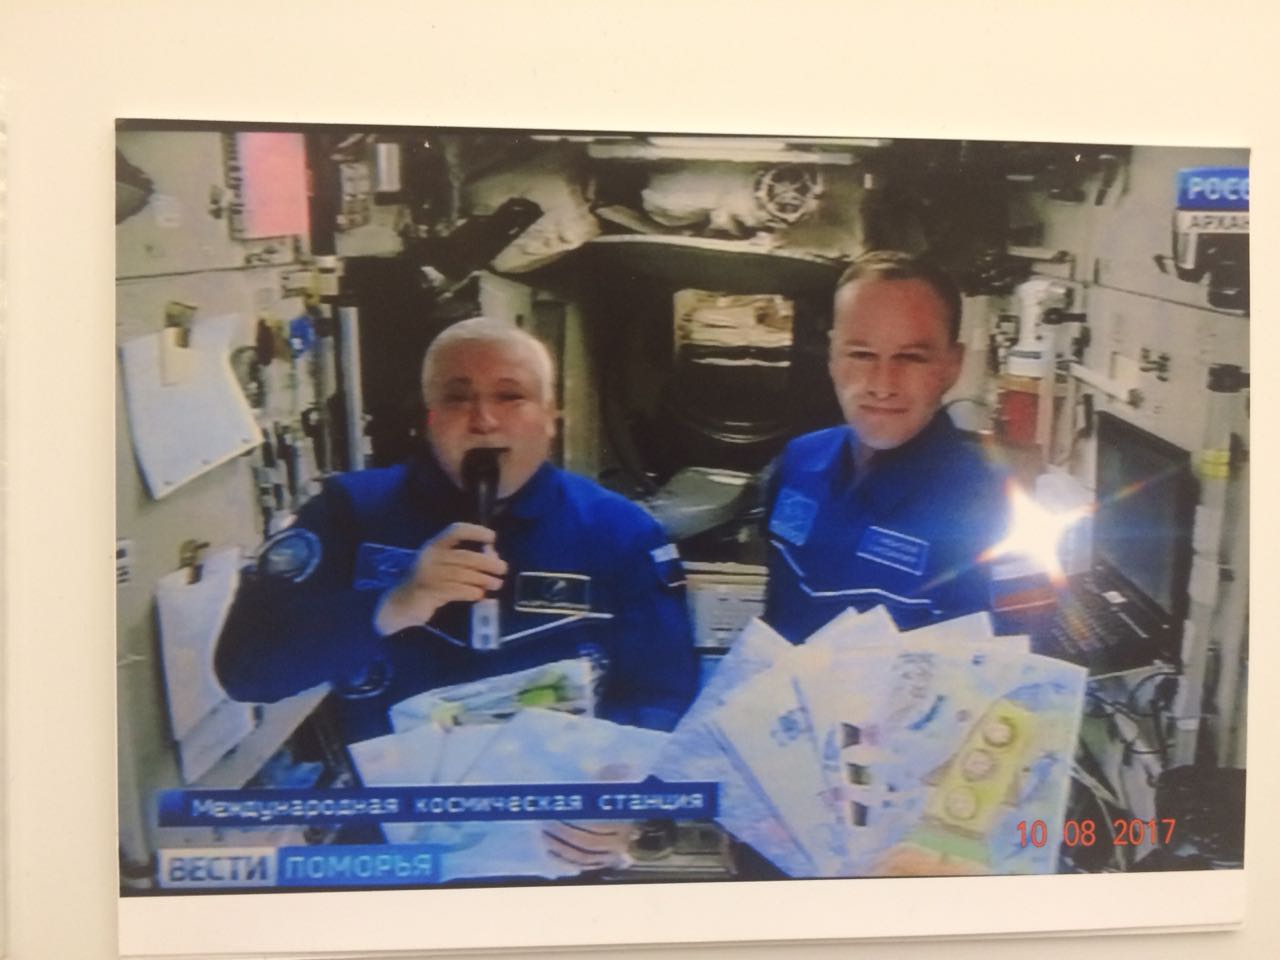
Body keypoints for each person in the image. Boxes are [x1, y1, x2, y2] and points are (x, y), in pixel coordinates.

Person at [216, 316, 698, 745]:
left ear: (551, 418)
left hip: (556, 806)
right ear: (429, 418)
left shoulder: (621, 533)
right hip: (395, 808)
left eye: (510, 396)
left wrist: (601, 785)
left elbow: (661, 694)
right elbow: (245, 673)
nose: (483, 421)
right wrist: (392, 605)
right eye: (456, 398)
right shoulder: (349, 512)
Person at [762, 250, 1010, 643]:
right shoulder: (798, 463)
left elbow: (1003, 669)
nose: (882, 384)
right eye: (861, 354)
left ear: (951, 366)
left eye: (911, 357)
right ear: (832, 355)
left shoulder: (989, 508)